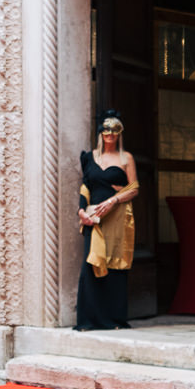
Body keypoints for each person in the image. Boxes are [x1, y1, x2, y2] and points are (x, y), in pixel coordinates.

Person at [76, 112, 139, 331]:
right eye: (106, 130)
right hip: (93, 217)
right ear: (100, 133)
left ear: (119, 133)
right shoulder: (89, 157)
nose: (110, 134)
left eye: (114, 130)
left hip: (117, 217)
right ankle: (87, 321)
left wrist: (113, 200)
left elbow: (134, 188)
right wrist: (81, 211)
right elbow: (85, 186)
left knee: (114, 266)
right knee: (91, 264)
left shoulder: (126, 158)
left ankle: (114, 320)